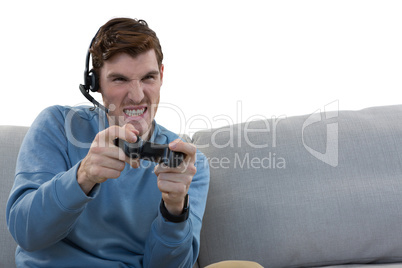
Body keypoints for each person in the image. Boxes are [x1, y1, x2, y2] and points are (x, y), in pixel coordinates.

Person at [6, 17, 210, 268]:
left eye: (148, 77)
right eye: (120, 79)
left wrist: (174, 211)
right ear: (96, 84)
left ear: (162, 76)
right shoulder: (57, 125)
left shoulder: (188, 164)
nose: (137, 95)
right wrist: (82, 177)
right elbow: (26, 234)